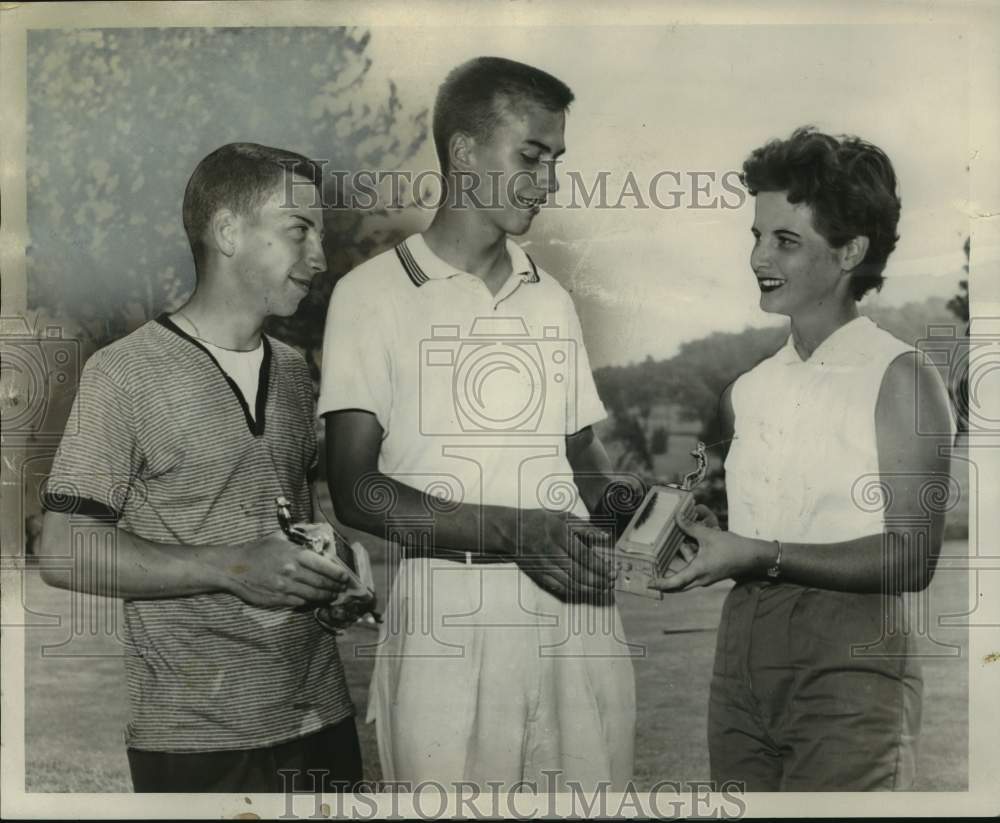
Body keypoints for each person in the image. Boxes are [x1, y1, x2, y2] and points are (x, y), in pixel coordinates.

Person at [319, 57, 637, 791]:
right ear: (463, 151)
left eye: (556, 160)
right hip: (446, 619)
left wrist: (654, 523)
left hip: (573, 616)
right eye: (530, 155)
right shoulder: (371, 295)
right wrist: (516, 530)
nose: (548, 181)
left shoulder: (551, 297)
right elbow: (356, 489)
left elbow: (581, 458)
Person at [38, 143, 363, 793]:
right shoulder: (123, 374)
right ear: (227, 232)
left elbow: (290, 516)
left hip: (323, 718)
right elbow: (65, 549)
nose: (320, 259)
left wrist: (333, 570)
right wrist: (230, 566)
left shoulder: (298, 372)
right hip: (196, 738)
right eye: (299, 232)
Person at [651, 127, 954, 791]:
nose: (760, 255)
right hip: (741, 659)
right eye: (756, 235)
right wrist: (706, 531)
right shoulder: (748, 390)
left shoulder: (901, 375)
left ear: (851, 250)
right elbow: (755, 528)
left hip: (851, 661)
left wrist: (761, 553)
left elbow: (914, 556)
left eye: (786, 239)